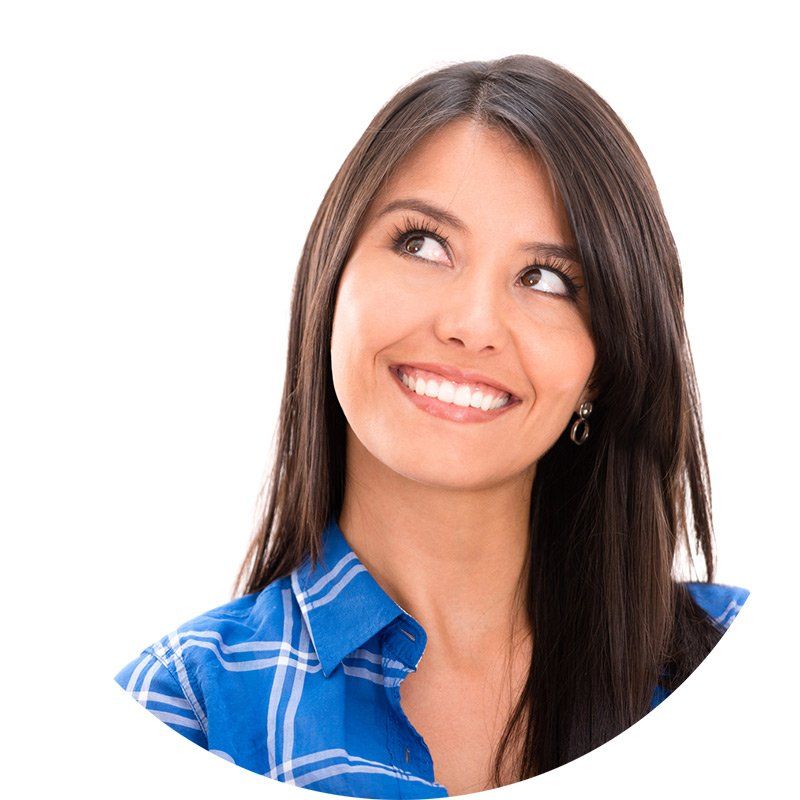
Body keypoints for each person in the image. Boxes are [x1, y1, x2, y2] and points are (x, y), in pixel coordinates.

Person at [114, 54, 750, 798]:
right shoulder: (180, 711)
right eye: (423, 244)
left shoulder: (741, 667)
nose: (473, 325)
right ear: (331, 280)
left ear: (604, 362)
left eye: (546, 278)